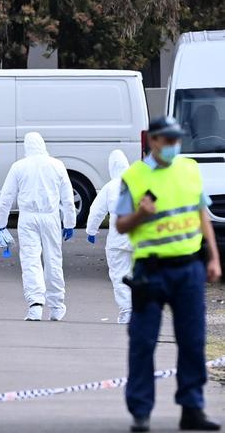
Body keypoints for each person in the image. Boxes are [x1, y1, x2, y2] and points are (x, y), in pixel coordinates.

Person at [115, 116, 222, 432]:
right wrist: (140, 214)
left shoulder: (189, 169)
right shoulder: (133, 177)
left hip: (189, 268)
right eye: (169, 140)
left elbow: (201, 214)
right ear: (154, 141)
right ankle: (141, 412)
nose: (175, 146)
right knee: (143, 342)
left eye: (178, 140)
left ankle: (192, 409)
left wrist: (213, 258)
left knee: (193, 341)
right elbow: (121, 224)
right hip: (151, 271)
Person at [0, 132, 76, 322]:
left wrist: (1, 224)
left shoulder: (19, 167)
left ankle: (35, 305)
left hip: (28, 218)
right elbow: (67, 198)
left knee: (30, 260)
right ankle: (56, 306)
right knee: (53, 260)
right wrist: (70, 223)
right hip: (51, 217)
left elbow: (6, 197)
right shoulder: (57, 165)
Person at [86, 149, 133, 324]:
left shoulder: (110, 186)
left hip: (118, 236)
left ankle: (127, 311)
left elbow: (96, 211)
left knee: (120, 274)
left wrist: (91, 231)